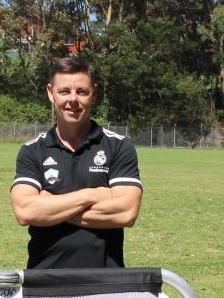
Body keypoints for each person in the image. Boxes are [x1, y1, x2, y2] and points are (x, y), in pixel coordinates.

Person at [10, 57, 142, 269]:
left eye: (81, 91)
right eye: (64, 91)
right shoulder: (32, 150)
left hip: (106, 285)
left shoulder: (118, 147)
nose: (73, 100)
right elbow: (26, 212)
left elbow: (126, 212)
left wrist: (51, 207)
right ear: (50, 93)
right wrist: (92, 195)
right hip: (44, 283)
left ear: (94, 94)